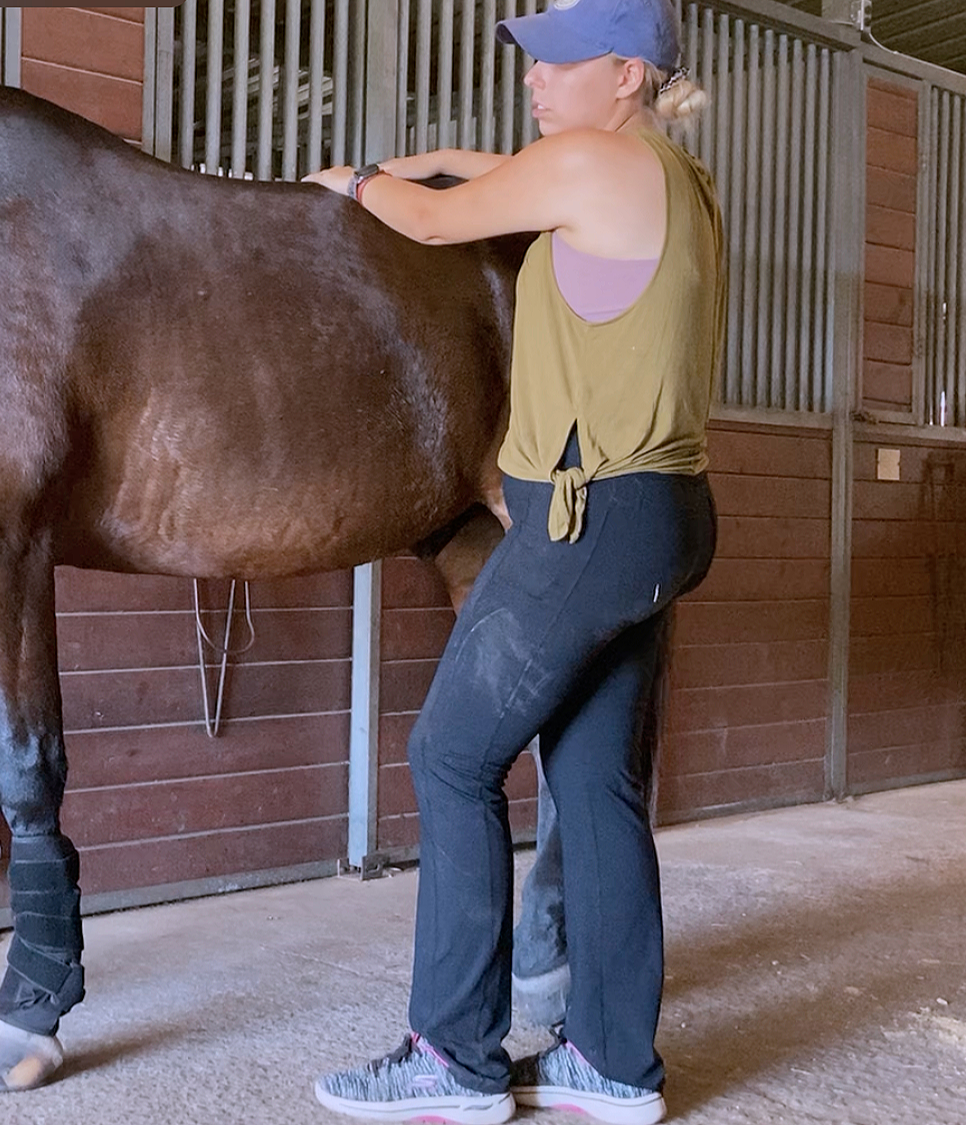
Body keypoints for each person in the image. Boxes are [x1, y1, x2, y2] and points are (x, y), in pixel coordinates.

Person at [300, 1, 723, 1122]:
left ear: (625, 74)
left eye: (559, 61)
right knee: (596, 787)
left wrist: (352, 181)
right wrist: (445, 159)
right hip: (658, 520)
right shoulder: (670, 178)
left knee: (448, 757)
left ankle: (452, 1057)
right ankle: (613, 1065)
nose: (535, 78)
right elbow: (519, 176)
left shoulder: (588, 164)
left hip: (585, 525)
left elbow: (434, 229)